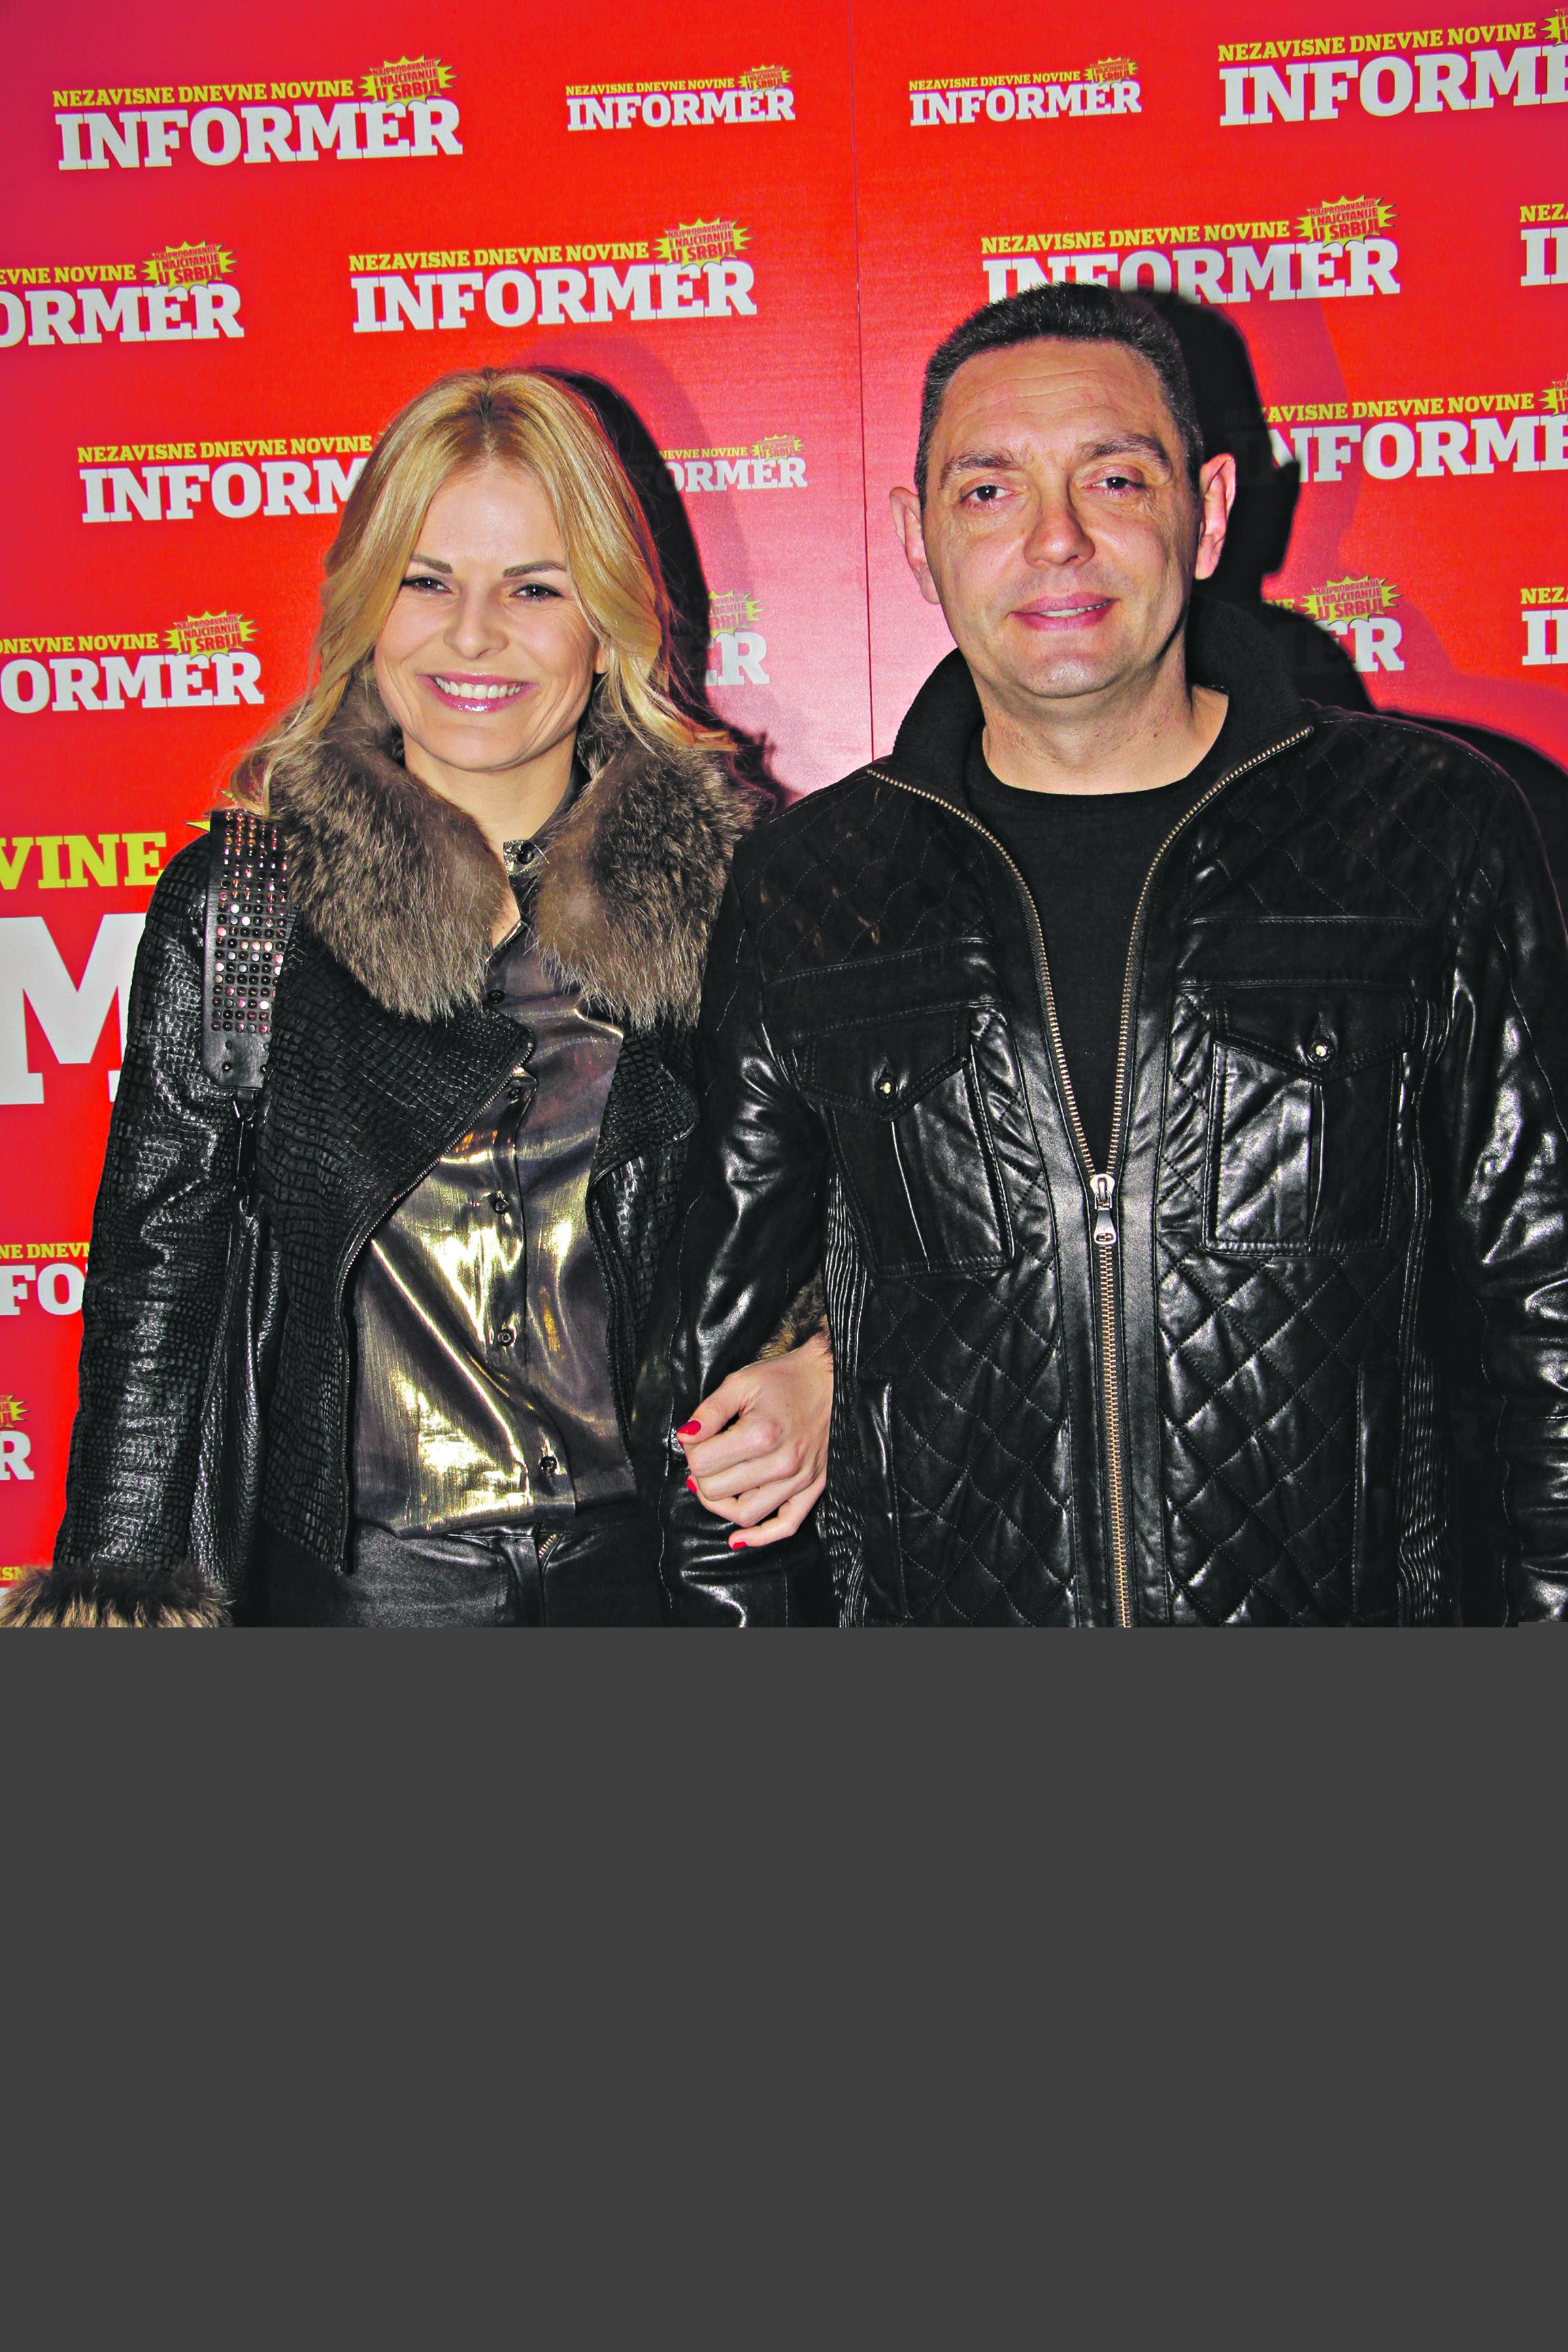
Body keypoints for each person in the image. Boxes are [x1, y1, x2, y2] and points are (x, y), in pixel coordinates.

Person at [654, 282, 1568, 1625]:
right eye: (988, 491)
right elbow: (717, 1385)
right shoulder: (809, 886)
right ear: (916, 538)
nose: (1055, 540)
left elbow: (1546, 1309)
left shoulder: (1429, 832)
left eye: (1114, 479)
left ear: (1208, 507)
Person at [7, 367, 831, 1627]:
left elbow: (860, 1212)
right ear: (366, 604)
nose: (473, 635)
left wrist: (824, 1372)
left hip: (660, 1583)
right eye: (427, 580)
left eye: (534, 588)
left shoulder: (729, 897)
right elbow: (159, 1272)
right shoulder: (248, 900)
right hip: (356, 1599)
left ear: (606, 621)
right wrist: (119, 1591)